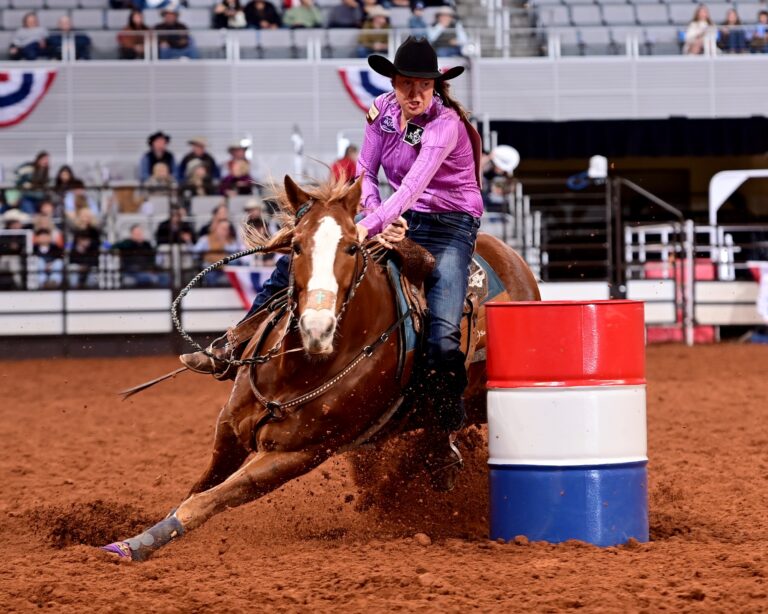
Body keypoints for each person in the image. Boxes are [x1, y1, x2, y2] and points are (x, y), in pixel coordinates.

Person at [180, 36, 483, 492]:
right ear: (394, 83)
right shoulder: (381, 112)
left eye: (424, 84)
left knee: (442, 334)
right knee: (302, 262)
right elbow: (366, 175)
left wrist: (369, 226)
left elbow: (413, 185)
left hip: (450, 225)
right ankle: (232, 343)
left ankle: (443, 434)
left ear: (436, 86)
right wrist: (376, 217)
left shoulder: (446, 126)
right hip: (397, 216)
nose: (415, 92)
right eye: (406, 83)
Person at [193, 219, 243, 285]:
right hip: (212, 270)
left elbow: (237, 257)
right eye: (223, 228)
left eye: (227, 229)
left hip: (227, 270)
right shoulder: (205, 239)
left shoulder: (232, 241)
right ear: (216, 228)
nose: (226, 231)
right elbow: (194, 254)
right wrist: (207, 256)